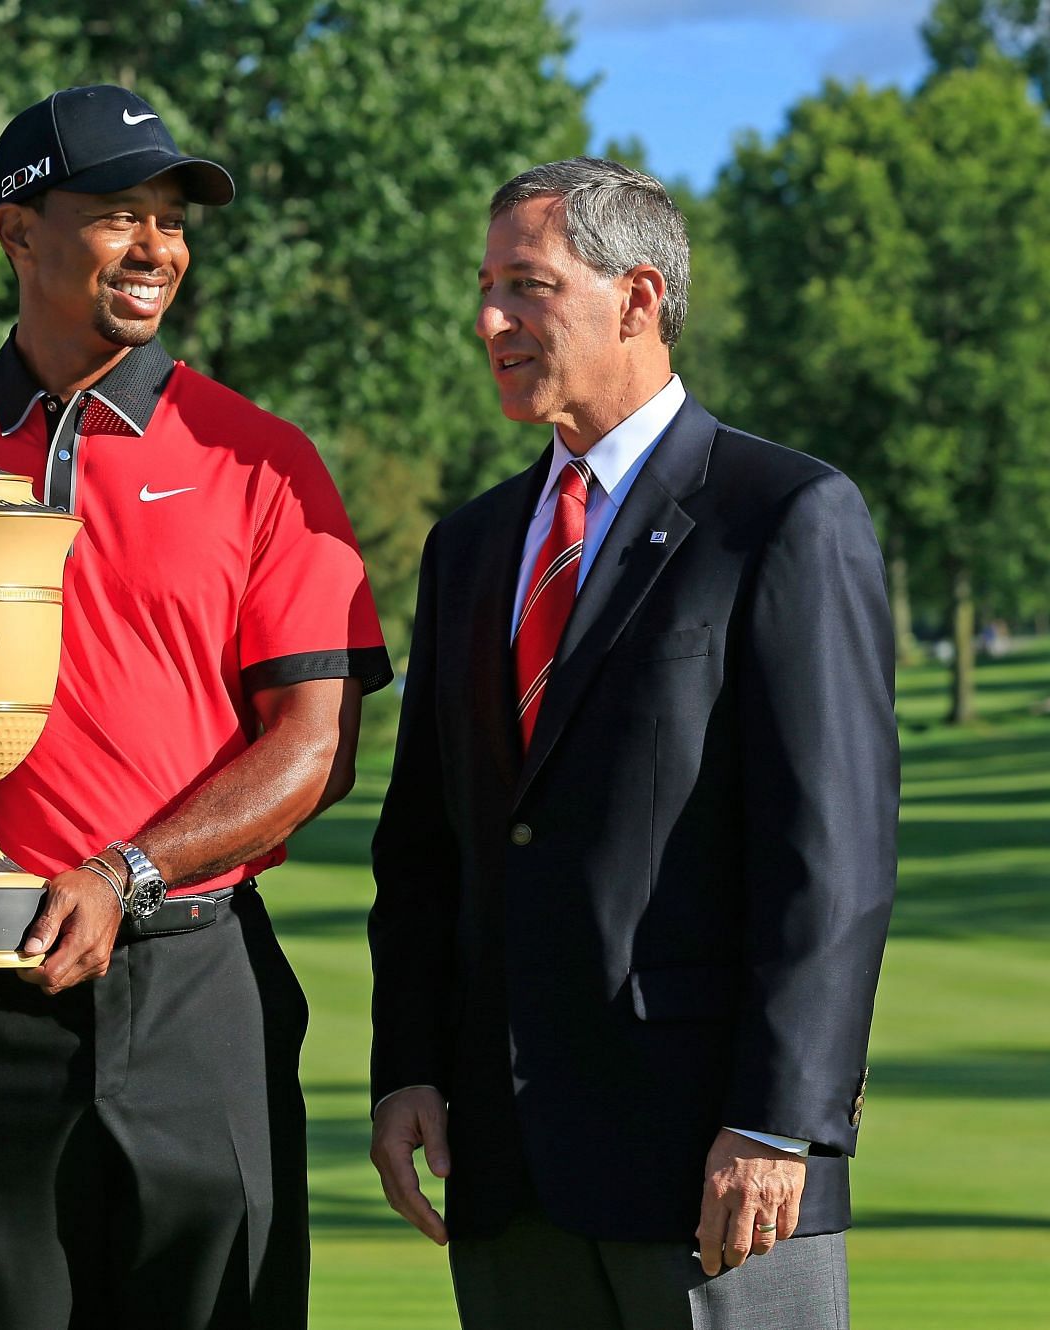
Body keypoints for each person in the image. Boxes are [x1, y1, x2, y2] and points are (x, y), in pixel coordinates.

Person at [0, 85, 391, 1329]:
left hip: (194, 979)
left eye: (172, 221)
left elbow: (315, 747)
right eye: (121, 213)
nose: (158, 248)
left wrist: (126, 869)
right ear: (19, 231)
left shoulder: (262, 459)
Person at [368, 157, 897, 1329]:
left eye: (527, 285)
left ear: (639, 299)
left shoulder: (786, 516)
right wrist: (407, 1064)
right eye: (486, 286)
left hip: (716, 1173)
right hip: (505, 1172)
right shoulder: (468, 547)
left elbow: (833, 858)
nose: (488, 319)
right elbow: (424, 844)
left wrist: (781, 1119)